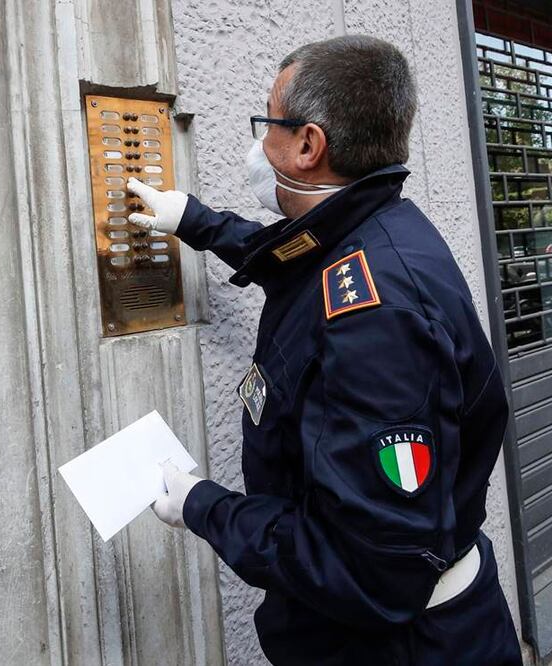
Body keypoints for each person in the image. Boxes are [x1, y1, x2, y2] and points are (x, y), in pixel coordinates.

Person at [126, 35, 524, 665]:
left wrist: (202, 505)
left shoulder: (377, 319)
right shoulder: (376, 229)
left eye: (268, 124)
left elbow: (366, 571)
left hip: (404, 650)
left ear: (308, 146)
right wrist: (194, 221)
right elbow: (297, 257)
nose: (260, 144)